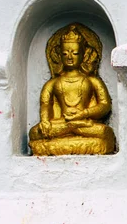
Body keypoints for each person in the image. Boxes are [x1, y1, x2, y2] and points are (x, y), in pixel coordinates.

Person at [29, 23, 116, 155]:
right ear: (59, 56)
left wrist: (84, 114)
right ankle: (72, 127)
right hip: (63, 124)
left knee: (105, 133)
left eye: (75, 53)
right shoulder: (53, 83)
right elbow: (45, 105)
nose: (70, 57)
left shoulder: (92, 81)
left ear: (84, 55)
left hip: (84, 123)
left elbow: (105, 105)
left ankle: (72, 128)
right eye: (65, 53)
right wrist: (45, 121)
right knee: (35, 133)